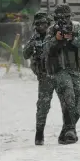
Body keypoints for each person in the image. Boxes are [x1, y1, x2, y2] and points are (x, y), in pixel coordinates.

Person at [43, 4, 80, 144]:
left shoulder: (79, 27)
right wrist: (56, 39)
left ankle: (66, 130)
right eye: (60, 18)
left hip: (78, 69)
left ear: (70, 17)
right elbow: (45, 48)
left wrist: (71, 38)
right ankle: (71, 131)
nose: (64, 20)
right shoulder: (52, 30)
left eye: (66, 17)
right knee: (68, 97)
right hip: (60, 69)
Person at [23, 11, 53, 145]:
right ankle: (39, 134)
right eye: (38, 24)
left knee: (68, 102)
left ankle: (69, 130)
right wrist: (33, 41)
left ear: (48, 24)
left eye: (43, 24)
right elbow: (25, 54)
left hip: (60, 74)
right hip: (44, 76)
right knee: (43, 105)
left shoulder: (55, 36)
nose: (41, 26)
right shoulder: (35, 39)